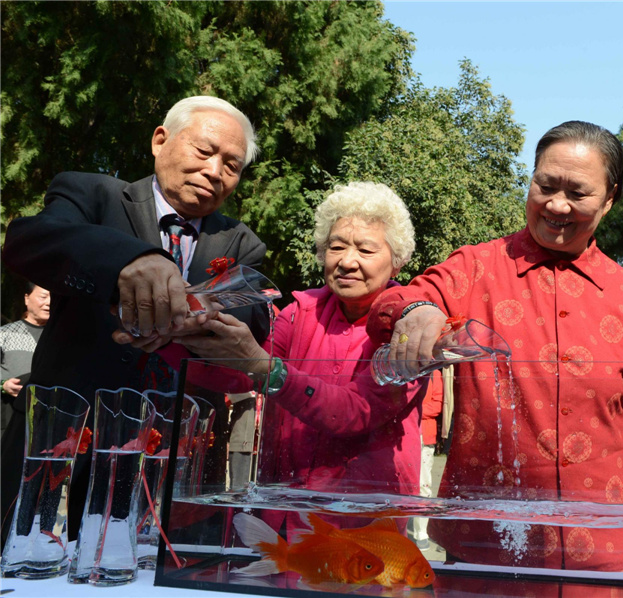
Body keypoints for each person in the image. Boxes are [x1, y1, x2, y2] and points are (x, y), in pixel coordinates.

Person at [366, 121, 623, 571]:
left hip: (610, 545)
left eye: (578, 193)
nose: (556, 204)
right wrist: (418, 309)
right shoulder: (477, 267)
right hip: (489, 543)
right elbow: (394, 302)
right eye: (545, 185)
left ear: (610, 199)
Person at [0, 96, 267, 545]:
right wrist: (132, 260)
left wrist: (184, 315)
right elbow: (31, 241)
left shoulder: (239, 241)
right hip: (57, 436)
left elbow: (252, 310)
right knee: (22, 559)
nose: (215, 171)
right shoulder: (93, 194)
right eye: (204, 152)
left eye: (232, 165)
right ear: (160, 140)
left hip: (165, 457)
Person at [175, 182, 428, 525]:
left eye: (366, 250)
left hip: (363, 520)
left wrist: (263, 367)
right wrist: (182, 340)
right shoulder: (300, 311)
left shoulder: (409, 328)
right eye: (336, 246)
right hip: (285, 507)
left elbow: (354, 412)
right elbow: (240, 373)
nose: (347, 261)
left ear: (397, 263)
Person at [0, 283, 51, 431]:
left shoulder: (60, 339)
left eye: (53, 298)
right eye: (43, 297)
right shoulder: (4, 334)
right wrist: (3, 385)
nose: (49, 303)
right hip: (8, 420)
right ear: (27, 299)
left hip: (45, 422)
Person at [411, 368, 444, 550]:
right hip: (405, 435)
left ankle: (421, 532)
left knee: (423, 485)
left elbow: (436, 407)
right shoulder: (405, 368)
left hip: (425, 435)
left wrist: (410, 409)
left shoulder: (435, 374)